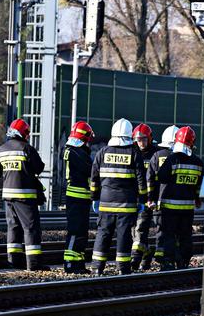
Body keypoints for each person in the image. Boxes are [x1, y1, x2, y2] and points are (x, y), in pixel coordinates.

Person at [90, 118, 147, 275]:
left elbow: (94, 178)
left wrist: (94, 197)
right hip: (126, 205)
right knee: (123, 235)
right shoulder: (134, 154)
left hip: (105, 202)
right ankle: (122, 267)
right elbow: (142, 182)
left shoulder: (102, 153)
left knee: (103, 233)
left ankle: (96, 267)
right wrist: (142, 200)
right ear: (129, 135)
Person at [0, 119, 49, 271]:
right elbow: (39, 167)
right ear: (23, 133)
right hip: (25, 196)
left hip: (8, 197)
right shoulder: (26, 148)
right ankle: (33, 264)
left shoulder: (0, 150)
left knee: (13, 227)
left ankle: (14, 262)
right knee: (31, 228)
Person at [155, 126, 203, 270]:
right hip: (188, 208)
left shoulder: (172, 159)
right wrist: (200, 198)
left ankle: (169, 261)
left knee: (169, 235)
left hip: (170, 207)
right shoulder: (198, 162)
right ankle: (183, 261)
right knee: (185, 235)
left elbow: (161, 177)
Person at [140, 125, 179, 271]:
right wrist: (201, 198)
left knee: (161, 229)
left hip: (160, 201)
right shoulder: (188, 158)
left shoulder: (157, 155)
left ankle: (162, 256)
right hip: (185, 206)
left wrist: (151, 197)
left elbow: (151, 177)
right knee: (178, 234)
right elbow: (203, 180)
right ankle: (176, 260)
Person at [62, 121, 95, 273]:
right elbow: (92, 172)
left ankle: (78, 263)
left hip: (78, 197)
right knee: (76, 231)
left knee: (81, 231)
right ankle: (70, 263)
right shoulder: (79, 153)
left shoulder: (71, 150)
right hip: (78, 197)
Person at [130, 123, 158, 271]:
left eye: (144, 139)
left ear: (150, 138)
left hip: (148, 199)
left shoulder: (156, 154)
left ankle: (135, 259)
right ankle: (147, 254)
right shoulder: (133, 152)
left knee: (141, 228)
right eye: (139, 140)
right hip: (133, 198)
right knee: (133, 230)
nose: (141, 143)